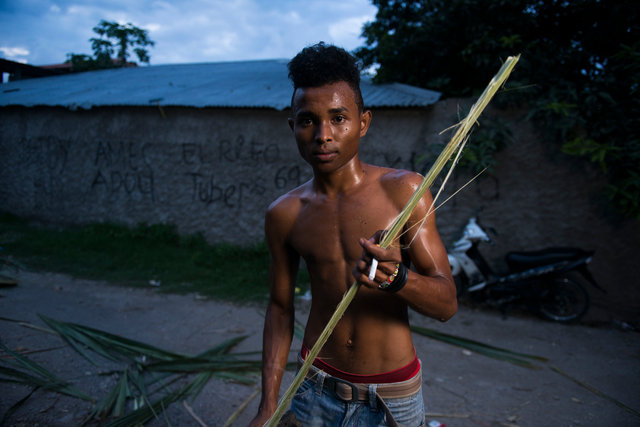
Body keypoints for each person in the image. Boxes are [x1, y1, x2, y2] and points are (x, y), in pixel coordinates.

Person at [249, 42, 457, 427]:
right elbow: (280, 309)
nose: (323, 134)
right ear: (292, 126)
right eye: (308, 120)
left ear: (363, 122)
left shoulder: (404, 192)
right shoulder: (284, 214)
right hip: (314, 388)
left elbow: (446, 304)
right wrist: (268, 406)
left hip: (391, 398)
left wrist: (398, 280)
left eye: (338, 118)